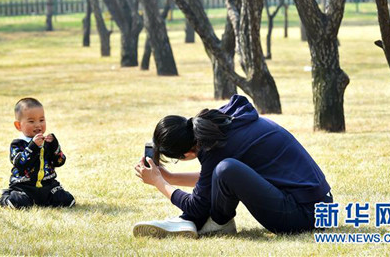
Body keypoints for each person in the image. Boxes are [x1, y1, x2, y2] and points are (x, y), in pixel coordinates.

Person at [133, 94, 332, 238]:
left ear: (186, 154)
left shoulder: (214, 148)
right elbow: (213, 180)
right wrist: (171, 178)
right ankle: (192, 222)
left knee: (226, 169)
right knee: (224, 170)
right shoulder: (223, 125)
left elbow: (199, 203)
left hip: (305, 217)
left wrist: (159, 182)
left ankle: (210, 223)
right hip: (319, 207)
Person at [0, 97, 75, 209]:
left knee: (67, 200)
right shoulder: (17, 144)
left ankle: (46, 199)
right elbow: (20, 163)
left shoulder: (48, 142)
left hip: (48, 186)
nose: (38, 125)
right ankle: (7, 197)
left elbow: (59, 161)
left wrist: (54, 146)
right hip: (24, 186)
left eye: (41, 120)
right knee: (18, 202)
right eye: (31, 121)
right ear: (18, 125)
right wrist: (33, 146)